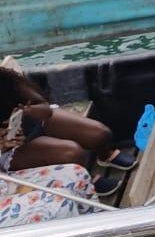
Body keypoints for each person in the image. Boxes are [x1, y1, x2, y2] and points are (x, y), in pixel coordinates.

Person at [0, 66, 135, 197]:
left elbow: (44, 108)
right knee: (72, 153)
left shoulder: (6, 78)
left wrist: (29, 111)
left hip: (34, 123)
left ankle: (105, 156)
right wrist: (4, 144)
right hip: (8, 152)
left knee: (101, 133)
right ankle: (86, 180)